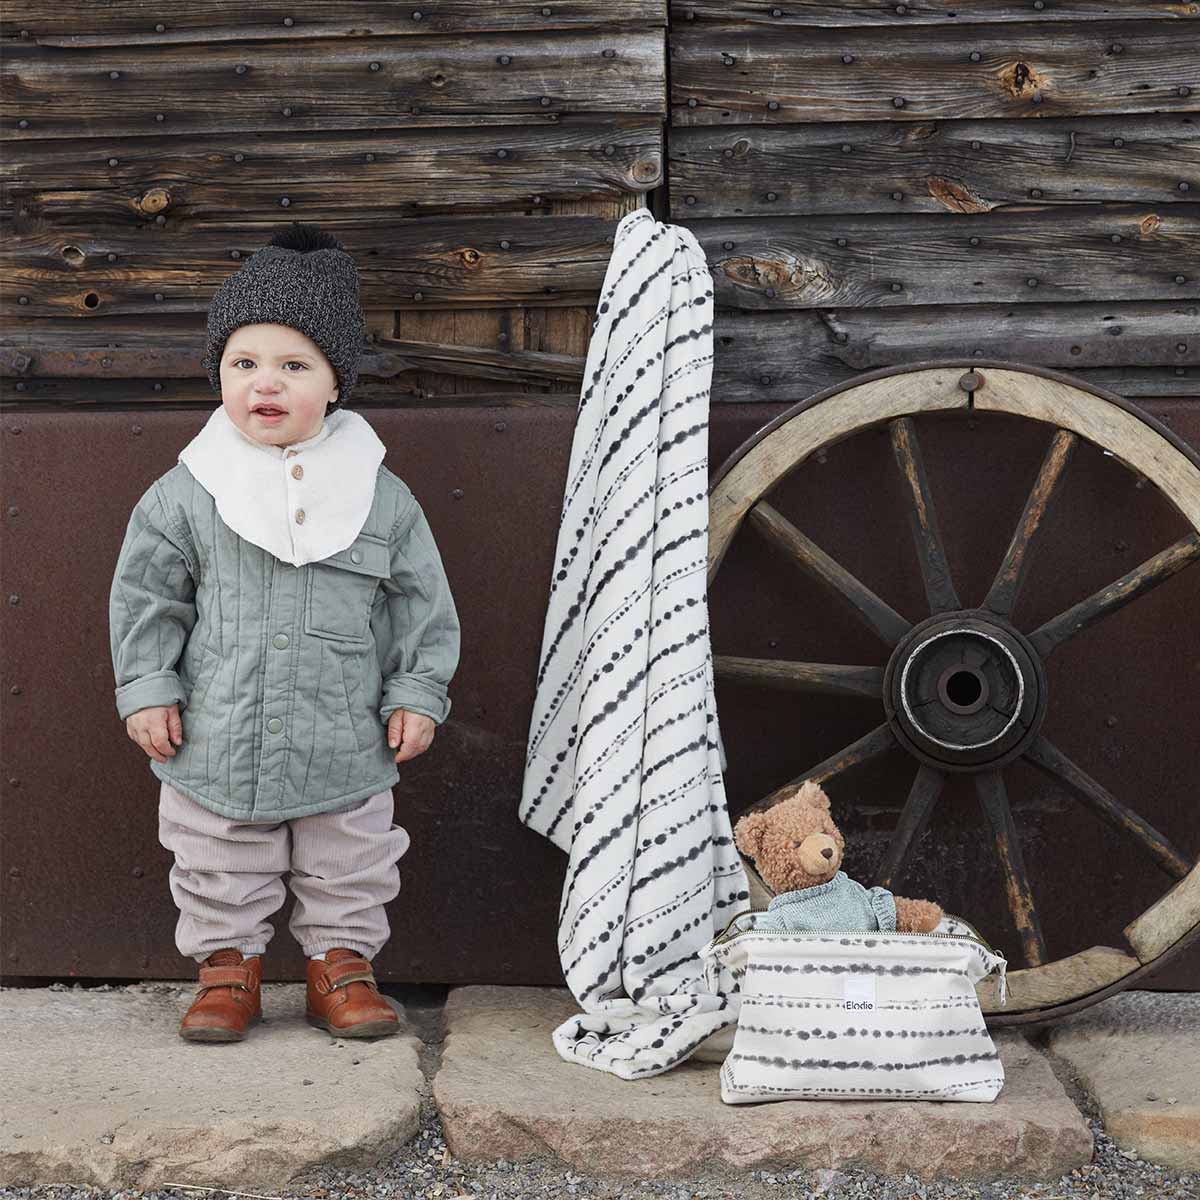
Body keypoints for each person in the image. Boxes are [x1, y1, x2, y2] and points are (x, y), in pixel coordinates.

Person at [108, 223, 460, 1043]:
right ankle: (227, 969)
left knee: (351, 857)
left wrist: (417, 690)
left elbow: (420, 602)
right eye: (245, 364)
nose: (266, 383)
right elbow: (148, 598)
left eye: (294, 365)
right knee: (216, 853)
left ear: (336, 384)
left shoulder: (379, 495)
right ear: (220, 375)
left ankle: (341, 967)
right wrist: (149, 687)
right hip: (219, 730)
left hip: (343, 729)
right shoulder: (188, 491)